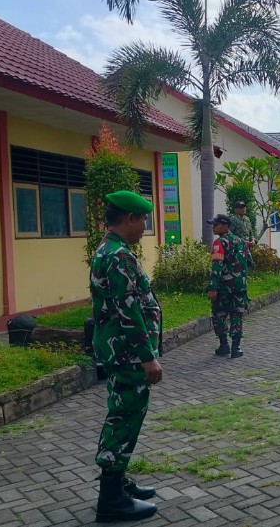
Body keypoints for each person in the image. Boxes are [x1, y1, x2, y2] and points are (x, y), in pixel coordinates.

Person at [89, 190, 162, 523]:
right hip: (128, 353)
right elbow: (128, 310)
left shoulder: (108, 249)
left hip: (118, 349)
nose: (145, 226)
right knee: (125, 416)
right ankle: (111, 499)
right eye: (143, 219)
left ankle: (117, 483)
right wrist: (148, 357)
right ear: (130, 218)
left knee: (122, 411)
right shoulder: (118, 256)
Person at [208, 213, 251, 359]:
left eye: (216, 225)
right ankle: (236, 348)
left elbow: (217, 266)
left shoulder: (219, 243)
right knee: (237, 315)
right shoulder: (242, 241)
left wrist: (212, 287)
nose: (213, 227)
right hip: (240, 287)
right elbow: (249, 261)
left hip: (223, 288)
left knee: (219, 315)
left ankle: (224, 345)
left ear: (225, 226)